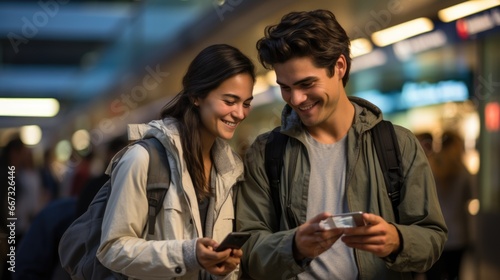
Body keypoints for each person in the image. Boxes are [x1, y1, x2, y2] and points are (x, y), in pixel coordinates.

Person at [236, 9, 447, 279]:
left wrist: (397, 240)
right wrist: (294, 246)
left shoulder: (398, 144)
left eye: (306, 83)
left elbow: (433, 237)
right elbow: (249, 251)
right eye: (285, 87)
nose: (296, 99)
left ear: (339, 67)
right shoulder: (266, 153)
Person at [96, 44, 255, 280]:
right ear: (196, 96)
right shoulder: (143, 159)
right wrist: (187, 255)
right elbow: (112, 249)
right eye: (230, 101)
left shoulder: (231, 169)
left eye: (246, 103)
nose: (240, 113)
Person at [425, 131, 476, 280]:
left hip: (434, 233)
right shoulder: (463, 171)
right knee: (455, 275)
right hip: (458, 234)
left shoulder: (430, 167)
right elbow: (471, 196)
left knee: (433, 276)